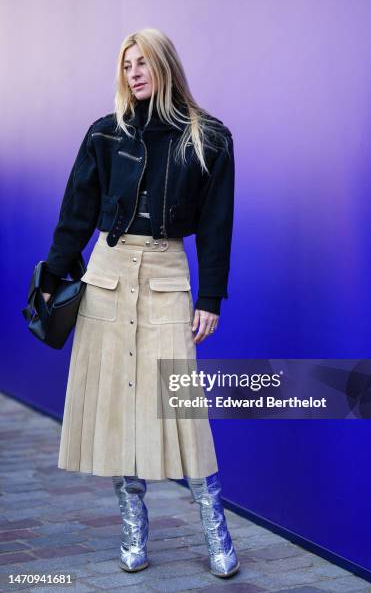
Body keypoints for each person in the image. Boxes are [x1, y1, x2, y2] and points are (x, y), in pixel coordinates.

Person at [41, 28, 239, 578]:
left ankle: (215, 528)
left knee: (180, 405)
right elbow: (77, 211)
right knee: (117, 408)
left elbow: (218, 225)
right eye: (126, 64)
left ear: (165, 65)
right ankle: (133, 529)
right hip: (107, 275)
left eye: (143, 62)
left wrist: (212, 297)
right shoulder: (105, 134)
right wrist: (52, 276)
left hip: (167, 272)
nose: (133, 72)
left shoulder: (210, 138)